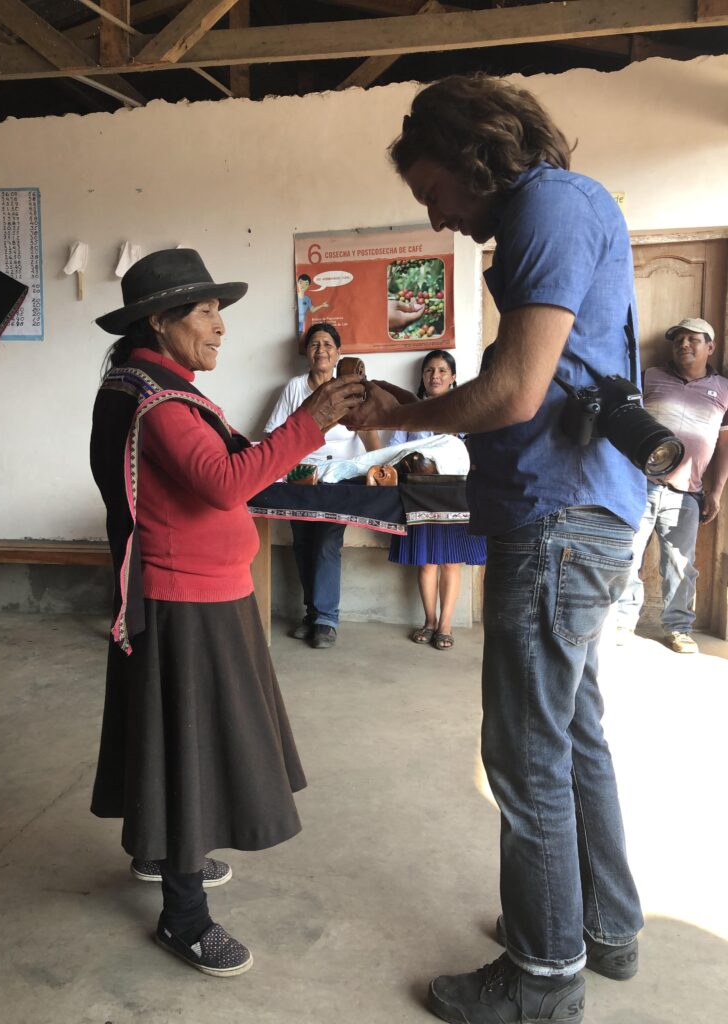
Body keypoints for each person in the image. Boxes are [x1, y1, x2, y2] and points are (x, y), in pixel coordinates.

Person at [345, 75, 647, 1024]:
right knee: (572, 733)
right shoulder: (565, 206)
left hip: (555, 515)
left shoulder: (545, 208)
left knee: (523, 754)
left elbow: (517, 392)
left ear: (473, 152)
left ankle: (542, 979)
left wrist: (407, 417)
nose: (435, 213)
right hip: (577, 512)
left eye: (431, 186)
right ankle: (604, 928)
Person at [89, 249, 364, 977]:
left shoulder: (154, 383)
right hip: (186, 602)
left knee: (173, 741)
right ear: (162, 321)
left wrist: (305, 429)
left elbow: (230, 465)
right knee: (193, 751)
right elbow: (222, 482)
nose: (219, 329)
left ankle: (161, 849)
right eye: (206, 312)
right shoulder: (156, 398)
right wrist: (309, 422)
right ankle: (183, 918)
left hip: (202, 591)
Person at [264, 322, 381, 649]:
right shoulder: (294, 388)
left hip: (339, 479)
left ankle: (326, 619)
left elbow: (369, 432)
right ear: (307, 353)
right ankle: (313, 614)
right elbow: (275, 433)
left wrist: (380, 464)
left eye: (328, 344)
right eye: (315, 344)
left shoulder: (354, 391)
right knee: (303, 544)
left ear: (338, 352)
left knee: (327, 543)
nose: (321, 350)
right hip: (300, 476)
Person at [616, 317, 728, 653]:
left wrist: (716, 491)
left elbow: (724, 447)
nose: (684, 344)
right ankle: (621, 621)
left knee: (680, 563)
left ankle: (678, 628)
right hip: (638, 484)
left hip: (687, 491)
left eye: (694, 339)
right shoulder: (650, 376)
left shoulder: (723, 389)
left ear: (710, 347)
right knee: (627, 555)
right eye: (678, 339)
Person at [386, 350, 486, 650]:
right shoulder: (410, 412)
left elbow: (474, 450)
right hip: (419, 496)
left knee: (450, 564)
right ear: (423, 377)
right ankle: (429, 621)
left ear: (453, 377)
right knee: (427, 563)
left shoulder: (466, 411)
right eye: (430, 370)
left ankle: (445, 624)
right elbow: (394, 449)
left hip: (456, 496)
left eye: (442, 370)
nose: (435, 376)